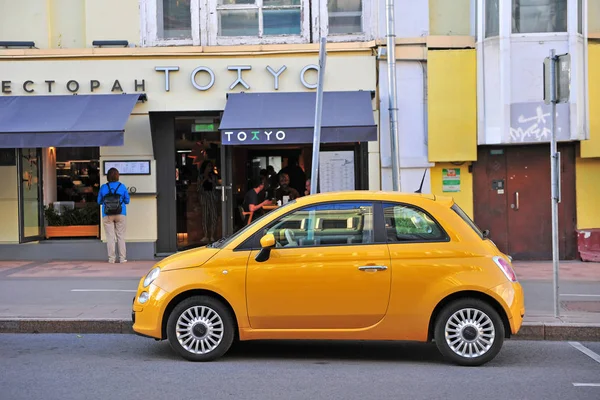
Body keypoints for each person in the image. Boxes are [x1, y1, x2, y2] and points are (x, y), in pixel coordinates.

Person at [97, 168, 130, 263]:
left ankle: (111, 259)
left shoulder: (103, 187)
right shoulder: (122, 186)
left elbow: (99, 201)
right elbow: (127, 200)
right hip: (120, 213)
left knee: (110, 237)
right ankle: (122, 258)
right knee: (121, 236)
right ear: (117, 176)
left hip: (107, 214)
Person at [198, 160, 219, 242]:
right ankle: (206, 235)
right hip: (204, 198)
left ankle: (212, 235)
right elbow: (198, 189)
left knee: (214, 216)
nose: (210, 168)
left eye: (211, 166)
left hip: (212, 198)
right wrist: (204, 180)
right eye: (208, 166)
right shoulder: (200, 176)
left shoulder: (214, 176)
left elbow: (217, 187)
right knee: (205, 217)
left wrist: (212, 181)